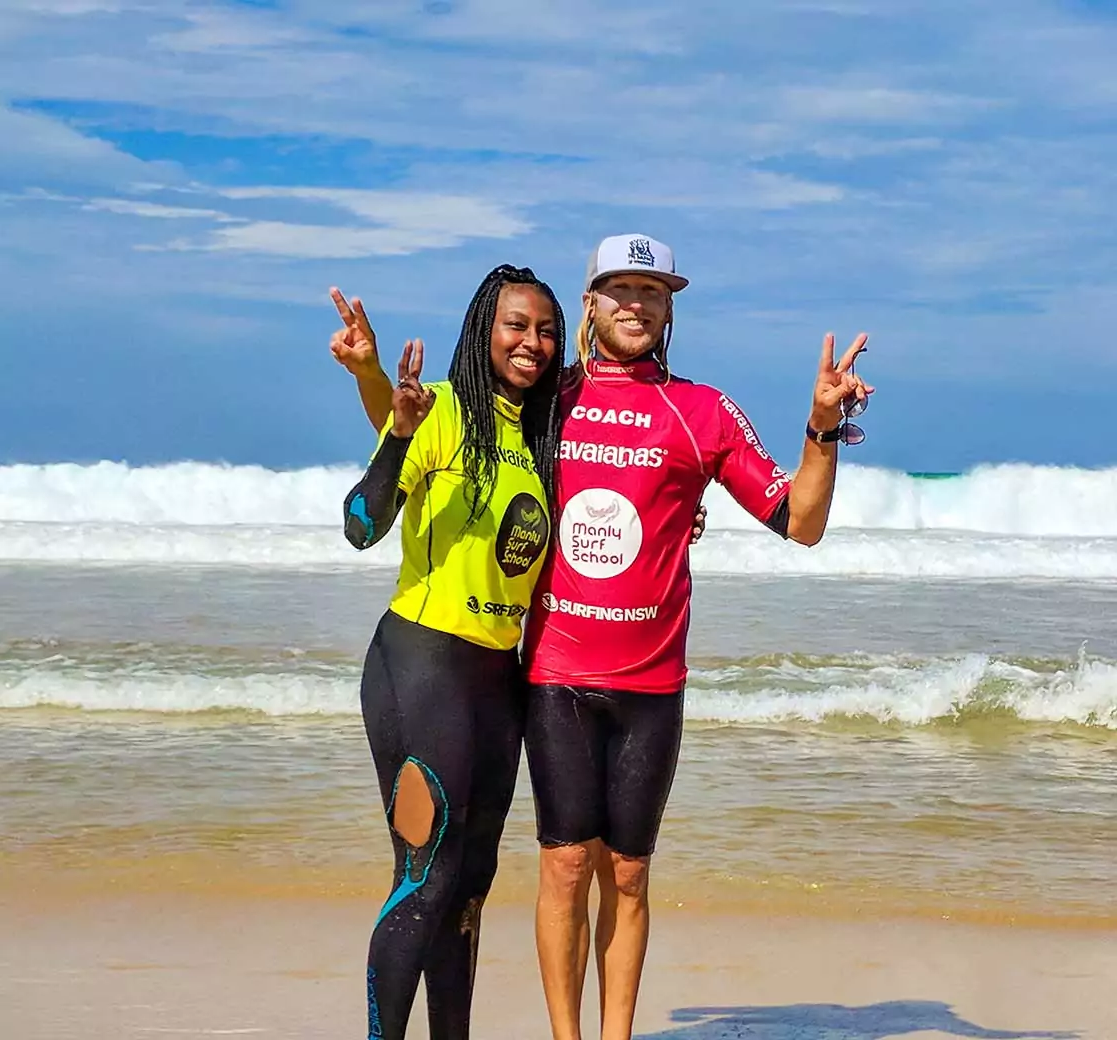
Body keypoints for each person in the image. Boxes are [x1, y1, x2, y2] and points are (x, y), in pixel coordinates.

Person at [519, 234, 873, 1040]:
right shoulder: (545, 401)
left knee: (632, 875)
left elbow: (801, 522)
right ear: (590, 304)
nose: (636, 304)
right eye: (620, 289)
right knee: (566, 865)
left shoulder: (702, 410)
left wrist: (821, 429)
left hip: (651, 685)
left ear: (670, 307)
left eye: (653, 291)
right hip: (556, 674)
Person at [331, 264, 565, 1040]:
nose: (532, 342)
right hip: (421, 664)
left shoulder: (540, 440)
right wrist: (397, 428)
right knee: (424, 878)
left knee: (469, 888)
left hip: (499, 683)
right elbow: (363, 525)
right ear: (483, 330)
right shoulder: (443, 412)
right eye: (515, 325)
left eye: (545, 329)